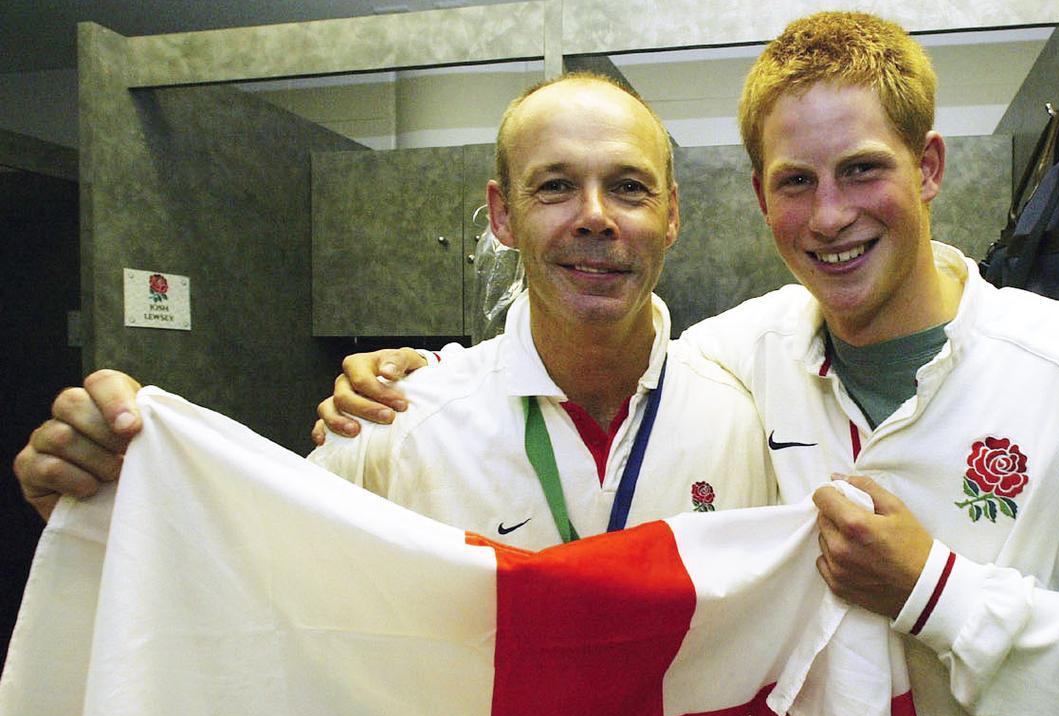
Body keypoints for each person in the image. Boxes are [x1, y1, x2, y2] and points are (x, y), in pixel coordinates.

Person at [320, 11, 1059, 716]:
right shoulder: (736, 360)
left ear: (929, 166)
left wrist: (941, 592)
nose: (828, 216)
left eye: (862, 170)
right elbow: (601, 360)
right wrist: (412, 382)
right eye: (795, 182)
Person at [11, 73, 780, 551]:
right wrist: (101, 511)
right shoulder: (398, 420)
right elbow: (247, 568)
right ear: (502, 215)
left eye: (629, 187)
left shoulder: (748, 418)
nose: (594, 217)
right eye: (553, 186)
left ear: (672, 214)